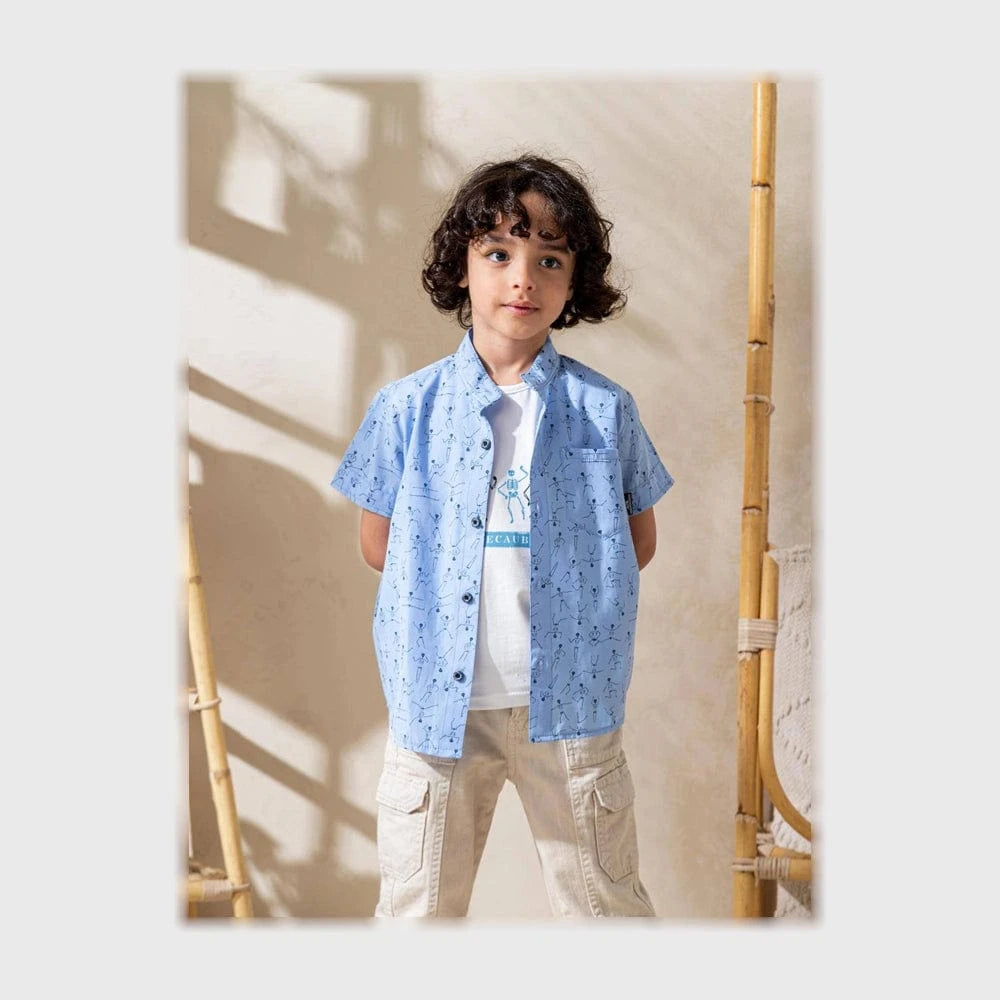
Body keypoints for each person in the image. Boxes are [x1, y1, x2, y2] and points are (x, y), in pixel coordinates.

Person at [331, 154, 674, 918]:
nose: (523, 279)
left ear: (574, 281)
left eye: (549, 259)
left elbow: (637, 543)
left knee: (605, 906)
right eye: (498, 253)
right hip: (436, 708)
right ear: (463, 266)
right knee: (418, 912)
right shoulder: (406, 408)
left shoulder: (604, 411)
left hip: (572, 704)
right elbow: (377, 545)